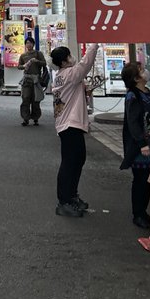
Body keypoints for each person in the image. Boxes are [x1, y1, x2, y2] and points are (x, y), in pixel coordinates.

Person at [50, 44, 99, 217]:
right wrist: (95, 45)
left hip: (67, 124)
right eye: (69, 56)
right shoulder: (71, 74)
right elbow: (85, 64)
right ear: (64, 61)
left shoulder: (60, 76)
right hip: (70, 124)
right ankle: (64, 201)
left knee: (77, 160)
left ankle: (71, 196)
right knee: (71, 162)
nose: (72, 58)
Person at [119, 61, 150, 229]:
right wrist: (141, 143)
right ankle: (138, 213)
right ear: (136, 78)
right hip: (141, 147)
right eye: (142, 70)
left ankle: (143, 212)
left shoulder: (147, 92)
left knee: (147, 179)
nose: (146, 72)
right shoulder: (133, 96)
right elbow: (133, 122)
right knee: (140, 180)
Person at [18, 38, 47, 126]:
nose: (29, 45)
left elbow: (44, 63)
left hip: (36, 79)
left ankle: (35, 118)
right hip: (26, 79)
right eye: (27, 43)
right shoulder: (23, 55)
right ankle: (25, 118)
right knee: (25, 98)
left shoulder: (38, 54)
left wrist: (37, 61)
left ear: (33, 44)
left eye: (30, 43)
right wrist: (23, 66)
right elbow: (19, 66)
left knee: (36, 99)